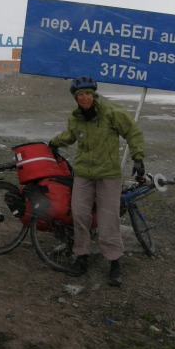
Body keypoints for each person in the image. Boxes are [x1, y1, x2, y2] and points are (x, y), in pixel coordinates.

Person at [49, 76, 145, 286]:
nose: (84, 98)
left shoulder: (111, 112)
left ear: (94, 94)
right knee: (80, 215)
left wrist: (138, 158)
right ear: (75, 98)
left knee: (108, 219)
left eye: (88, 94)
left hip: (108, 175)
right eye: (80, 95)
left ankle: (114, 262)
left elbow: (132, 131)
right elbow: (71, 135)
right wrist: (53, 143)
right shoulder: (75, 117)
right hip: (84, 173)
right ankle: (81, 256)